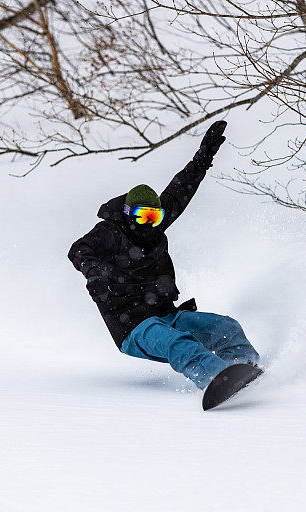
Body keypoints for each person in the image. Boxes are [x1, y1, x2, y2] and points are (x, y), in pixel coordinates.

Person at [68, 120, 262, 410]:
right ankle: (214, 378)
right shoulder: (110, 232)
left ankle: (245, 369)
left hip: (166, 314)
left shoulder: (154, 228)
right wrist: (93, 272)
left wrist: (203, 156)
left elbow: (182, 187)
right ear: (129, 214)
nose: (150, 224)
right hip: (133, 327)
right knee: (180, 343)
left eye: (155, 217)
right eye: (144, 216)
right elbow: (78, 249)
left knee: (226, 326)